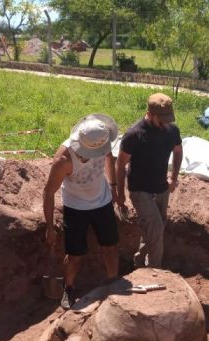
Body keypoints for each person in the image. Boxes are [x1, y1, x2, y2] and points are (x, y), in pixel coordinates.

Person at [43, 114, 119, 309]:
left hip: (103, 202)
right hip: (76, 207)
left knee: (110, 247)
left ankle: (113, 284)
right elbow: (49, 192)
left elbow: (109, 158)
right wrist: (50, 227)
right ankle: (68, 288)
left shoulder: (102, 142)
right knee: (75, 255)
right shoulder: (64, 160)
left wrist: (113, 185)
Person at [116, 93, 183, 268]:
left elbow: (178, 150)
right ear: (150, 113)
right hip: (140, 190)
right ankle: (155, 271)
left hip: (162, 188)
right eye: (162, 120)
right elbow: (120, 163)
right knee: (157, 230)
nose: (165, 124)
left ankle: (139, 263)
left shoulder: (171, 130)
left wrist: (174, 177)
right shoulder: (134, 134)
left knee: (153, 232)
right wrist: (120, 194)